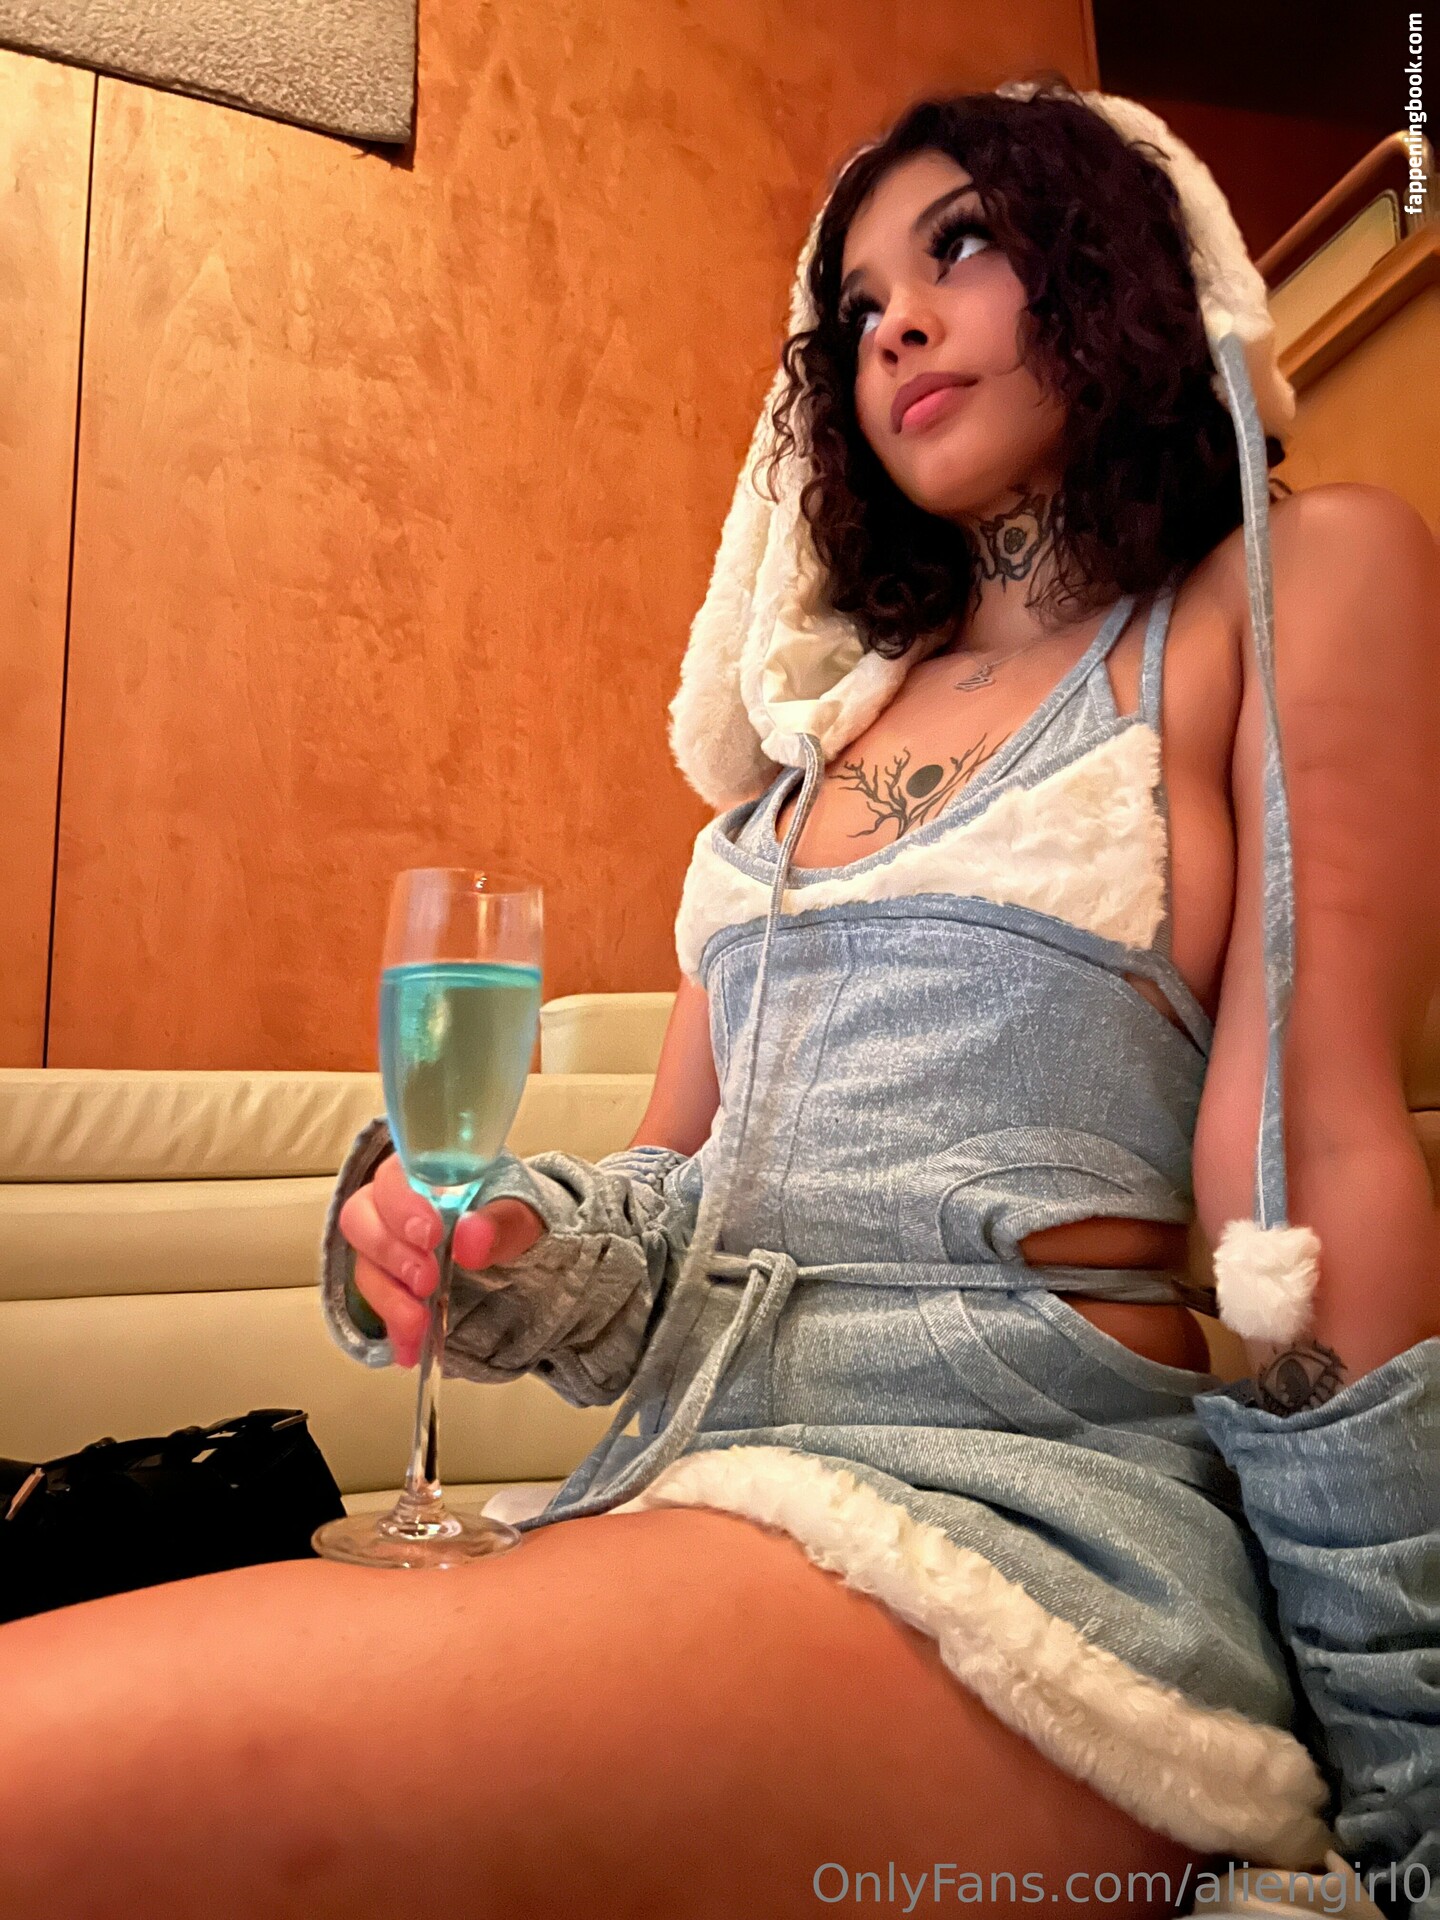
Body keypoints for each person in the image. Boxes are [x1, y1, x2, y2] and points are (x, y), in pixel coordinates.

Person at [0, 82, 1433, 1920]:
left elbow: (1315, 1151)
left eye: (964, 245)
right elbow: (676, 1194)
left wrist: (1408, 1784)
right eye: (858, 307)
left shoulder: (1273, 591)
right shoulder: (795, 770)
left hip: (1024, 1546)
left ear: (1121, 261)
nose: (895, 324)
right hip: (677, 1481)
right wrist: (511, 1240)